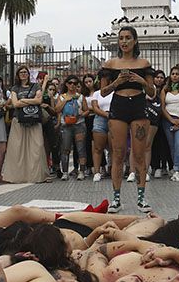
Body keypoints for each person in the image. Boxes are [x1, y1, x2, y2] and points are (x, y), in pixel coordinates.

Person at [102, 27, 156, 212]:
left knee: (139, 154)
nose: (124, 42)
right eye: (121, 38)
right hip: (119, 105)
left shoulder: (143, 63)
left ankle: (141, 198)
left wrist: (140, 81)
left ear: (135, 41)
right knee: (118, 153)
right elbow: (103, 92)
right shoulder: (110, 64)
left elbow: (152, 91)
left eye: (128, 38)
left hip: (139, 106)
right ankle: (116, 199)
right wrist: (117, 82)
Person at [4, 65, 51, 183]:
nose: (24, 74)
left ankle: (37, 175)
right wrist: (31, 101)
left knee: (37, 146)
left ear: (29, 74)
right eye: (21, 72)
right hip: (19, 120)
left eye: (25, 72)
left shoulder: (35, 86)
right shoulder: (15, 88)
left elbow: (39, 101)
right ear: (18, 75)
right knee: (17, 148)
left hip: (34, 119)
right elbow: (15, 104)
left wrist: (23, 100)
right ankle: (18, 175)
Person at [54, 74, 89, 180]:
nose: (72, 85)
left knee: (81, 148)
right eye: (70, 83)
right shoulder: (61, 97)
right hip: (66, 126)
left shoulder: (81, 97)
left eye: (75, 83)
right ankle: (65, 172)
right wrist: (65, 100)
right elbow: (57, 109)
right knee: (65, 149)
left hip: (79, 125)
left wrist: (81, 114)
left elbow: (87, 110)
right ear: (66, 84)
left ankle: (81, 171)